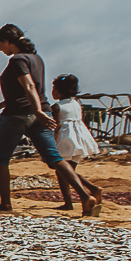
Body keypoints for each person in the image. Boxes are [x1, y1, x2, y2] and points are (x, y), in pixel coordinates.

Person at [0, 24, 102, 216]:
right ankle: (85, 197)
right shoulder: (37, 59)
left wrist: (36, 111)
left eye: (0, 44)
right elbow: (25, 90)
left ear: (9, 42)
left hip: (18, 115)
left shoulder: (17, 60)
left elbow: (28, 86)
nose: (0, 48)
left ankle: (5, 204)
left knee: (1, 159)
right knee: (55, 158)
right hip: (39, 112)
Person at [49, 74, 100, 210]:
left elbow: (55, 126)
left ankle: (68, 203)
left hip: (67, 139)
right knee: (69, 170)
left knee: (62, 171)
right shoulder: (76, 104)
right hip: (81, 138)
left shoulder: (57, 107)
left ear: (58, 91)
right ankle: (92, 188)